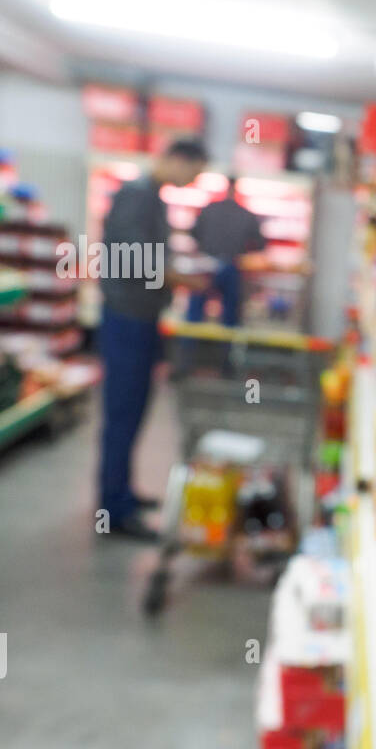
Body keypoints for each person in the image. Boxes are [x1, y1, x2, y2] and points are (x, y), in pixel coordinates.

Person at [97, 138, 208, 541]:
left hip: (141, 317)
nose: (192, 180)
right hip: (126, 317)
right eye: (193, 172)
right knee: (122, 412)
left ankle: (122, 493)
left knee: (135, 409)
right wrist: (180, 278)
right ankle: (114, 509)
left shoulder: (153, 197)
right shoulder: (137, 195)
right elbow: (130, 259)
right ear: (178, 159)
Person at [189, 175, 265, 327]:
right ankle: (228, 346)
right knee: (230, 312)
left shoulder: (209, 209)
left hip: (206, 263)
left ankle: (189, 342)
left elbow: (194, 233)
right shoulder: (246, 214)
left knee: (196, 308)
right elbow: (260, 243)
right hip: (232, 264)